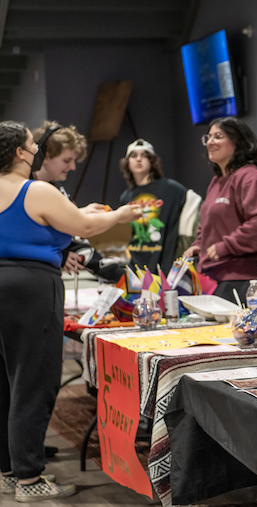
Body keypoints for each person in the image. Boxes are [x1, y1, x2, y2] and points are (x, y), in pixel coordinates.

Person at [0, 121, 138, 501]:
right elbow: (84, 225)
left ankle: (10, 471)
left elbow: (55, 220)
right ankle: (30, 480)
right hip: (30, 288)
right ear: (19, 153)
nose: (36, 152)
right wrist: (121, 214)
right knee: (33, 381)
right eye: (32, 147)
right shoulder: (35, 190)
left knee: (4, 383)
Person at [182, 117, 257, 302]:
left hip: (243, 278)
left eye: (218, 136)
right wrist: (199, 245)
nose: (210, 142)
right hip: (214, 276)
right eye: (208, 137)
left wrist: (227, 245)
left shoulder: (250, 178)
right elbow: (208, 225)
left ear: (238, 142)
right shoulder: (216, 181)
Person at [32, 121, 124, 282]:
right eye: (67, 160)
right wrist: (58, 254)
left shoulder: (58, 191)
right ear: (45, 156)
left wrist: (125, 276)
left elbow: (76, 239)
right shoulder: (21, 189)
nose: (73, 167)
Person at [119, 138, 188, 274]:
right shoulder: (126, 197)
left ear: (152, 161)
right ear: (127, 162)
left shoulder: (172, 189)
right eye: (134, 156)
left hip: (164, 265)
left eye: (144, 156)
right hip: (136, 267)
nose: (138, 159)